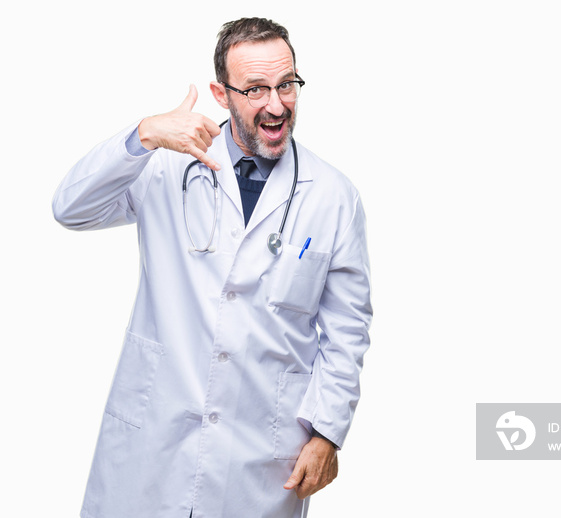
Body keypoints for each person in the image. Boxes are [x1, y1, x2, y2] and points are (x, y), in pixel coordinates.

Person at [53, 17, 372, 518]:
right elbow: (72, 208)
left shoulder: (333, 196)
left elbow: (346, 330)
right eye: (255, 89)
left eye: (286, 84)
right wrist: (142, 135)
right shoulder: (164, 165)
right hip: (153, 440)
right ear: (221, 95)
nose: (276, 104)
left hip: (261, 455)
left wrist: (328, 432)